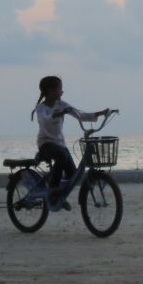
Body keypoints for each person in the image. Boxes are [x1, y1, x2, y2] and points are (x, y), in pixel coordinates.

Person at [31, 76, 114, 211]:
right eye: (60, 89)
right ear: (51, 91)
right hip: (46, 144)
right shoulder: (40, 108)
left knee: (73, 175)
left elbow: (80, 114)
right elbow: (45, 120)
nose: (62, 92)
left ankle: (59, 196)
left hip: (60, 145)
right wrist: (56, 114)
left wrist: (101, 113)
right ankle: (54, 189)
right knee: (62, 156)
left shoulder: (61, 104)